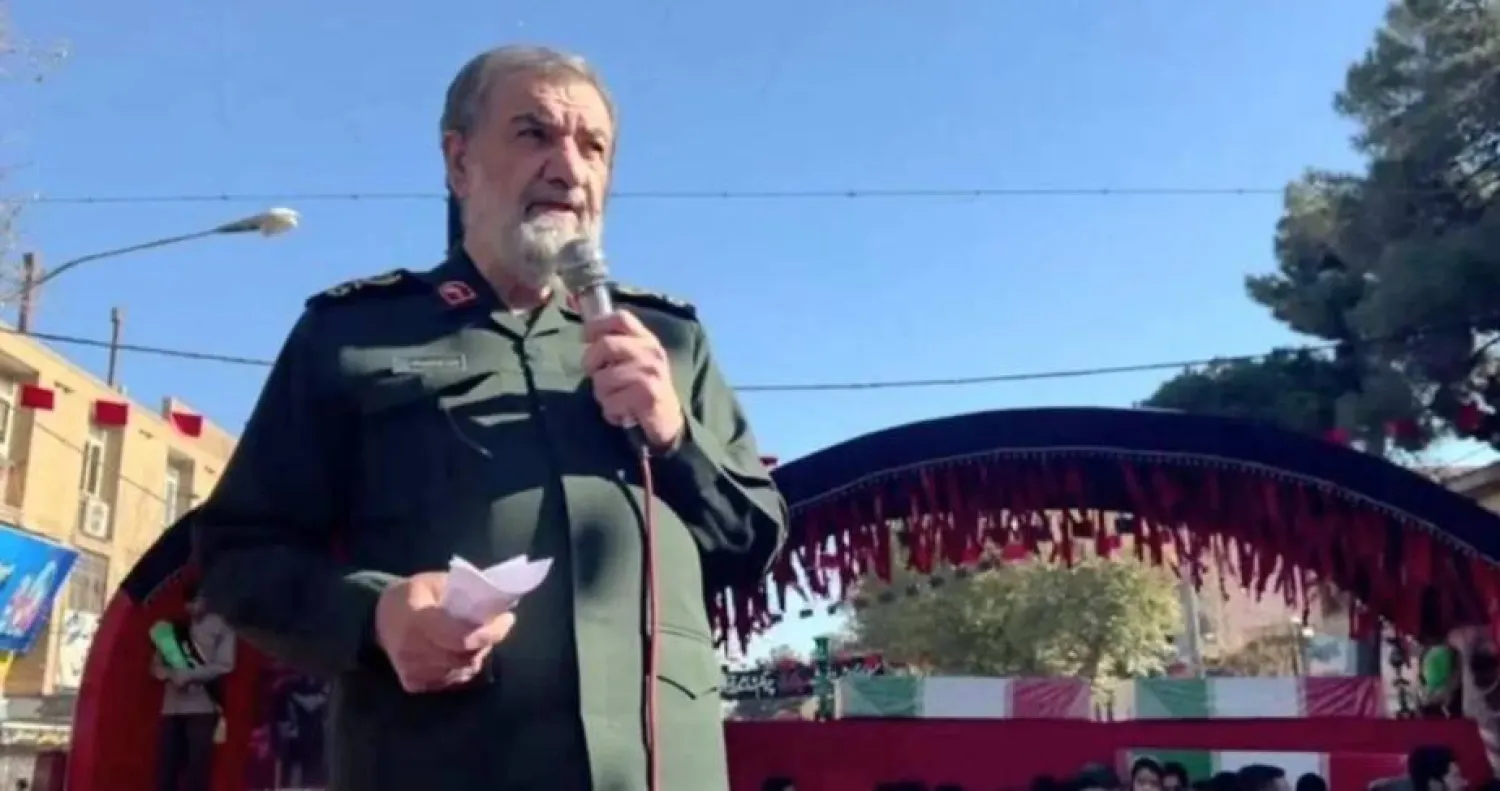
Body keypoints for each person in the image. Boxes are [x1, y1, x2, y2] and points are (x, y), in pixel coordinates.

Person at [192, 44, 788, 791]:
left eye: (593, 147)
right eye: (534, 133)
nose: (569, 168)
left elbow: (755, 539)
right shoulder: (351, 335)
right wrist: (377, 615)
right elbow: (238, 556)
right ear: (459, 160)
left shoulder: (670, 343)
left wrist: (675, 438)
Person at [150, 584, 235, 791]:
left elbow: (226, 665)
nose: (192, 607)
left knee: (198, 769)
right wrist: (169, 674)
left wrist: (190, 675)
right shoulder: (174, 627)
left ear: (206, 600)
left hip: (203, 707)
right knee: (167, 767)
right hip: (172, 707)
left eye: (196, 601)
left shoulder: (222, 627)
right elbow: (155, 665)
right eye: (188, 602)